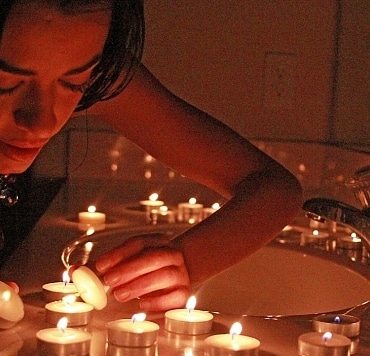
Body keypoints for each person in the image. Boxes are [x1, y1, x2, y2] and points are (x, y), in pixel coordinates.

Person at [0, 0, 302, 311]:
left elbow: (274, 190)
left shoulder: (104, 80)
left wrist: (183, 261)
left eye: (75, 82)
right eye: (4, 85)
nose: (43, 122)